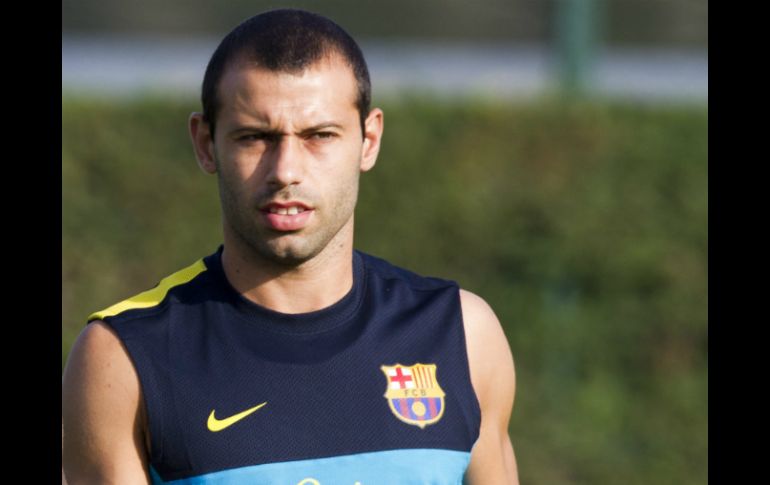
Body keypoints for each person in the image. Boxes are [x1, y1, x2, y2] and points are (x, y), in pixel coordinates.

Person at [62, 8, 519, 484]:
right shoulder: (125, 357)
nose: (285, 171)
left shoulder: (463, 336)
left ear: (368, 140)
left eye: (319, 136)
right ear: (205, 143)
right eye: (255, 137)